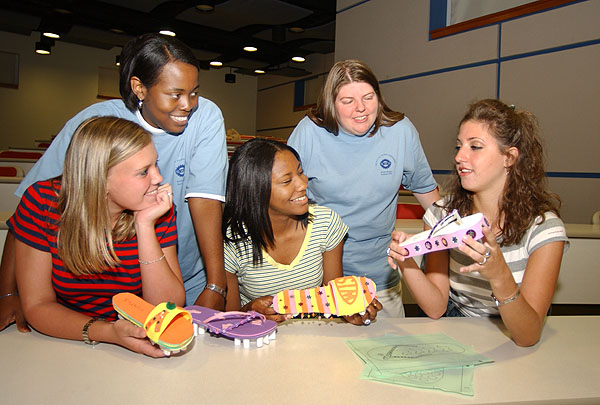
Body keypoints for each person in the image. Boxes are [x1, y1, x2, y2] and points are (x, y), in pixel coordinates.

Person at [0, 33, 228, 333]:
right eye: (175, 94)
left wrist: (216, 282)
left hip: (171, 271)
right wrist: (8, 292)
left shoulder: (203, 120)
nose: (187, 104)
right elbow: (32, 215)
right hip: (76, 305)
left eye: (194, 92)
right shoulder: (95, 125)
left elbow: (205, 200)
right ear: (139, 88)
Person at [387, 99, 568, 346]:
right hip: (455, 329)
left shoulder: (544, 229)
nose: (460, 156)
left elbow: (527, 336)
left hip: (513, 334)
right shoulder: (442, 215)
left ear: (509, 158)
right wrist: (406, 260)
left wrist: (499, 275)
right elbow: (436, 307)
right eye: (459, 146)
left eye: (475, 147)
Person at [9, 117, 183, 357]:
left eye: (155, 165)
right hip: (64, 338)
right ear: (99, 180)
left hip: (134, 339)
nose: (158, 178)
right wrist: (107, 332)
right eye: (144, 171)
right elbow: (38, 305)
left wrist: (144, 225)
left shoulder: (157, 208)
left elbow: (166, 306)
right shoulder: (42, 203)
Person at [287, 60, 439, 317]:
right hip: (320, 276)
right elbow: (282, 200)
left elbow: (430, 198)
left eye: (368, 97)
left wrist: (455, 232)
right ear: (331, 104)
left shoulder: (400, 131)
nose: (361, 108)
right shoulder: (309, 132)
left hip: (379, 276)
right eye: (347, 101)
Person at [222, 139, 381, 325]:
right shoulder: (233, 239)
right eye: (287, 181)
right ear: (255, 191)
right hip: (258, 341)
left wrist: (351, 309)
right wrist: (249, 311)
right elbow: (229, 320)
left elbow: (332, 299)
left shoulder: (325, 224)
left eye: (300, 172)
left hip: (314, 336)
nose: (303, 184)